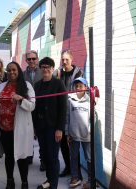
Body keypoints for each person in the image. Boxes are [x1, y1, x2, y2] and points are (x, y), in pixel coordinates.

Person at [0, 61, 35, 189]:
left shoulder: (26, 86)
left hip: (19, 129)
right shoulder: (1, 86)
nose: (11, 72)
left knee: (21, 156)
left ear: (19, 71)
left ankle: (24, 182)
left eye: (14, 70)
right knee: (9, 156)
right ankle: (10, 181)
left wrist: (21, 100)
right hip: (4, 128)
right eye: (9, 70)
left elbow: (32, 105)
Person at [33, 57, 67, 189]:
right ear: (40, 69)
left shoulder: (59, 84)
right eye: (43, 67)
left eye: (48, 67)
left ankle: (54, 185)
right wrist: (35, 127)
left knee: (53, 157)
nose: (45, 69)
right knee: (45, 156)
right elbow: (35, 108)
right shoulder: (37, 85)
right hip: (41, 127)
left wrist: (60, 129)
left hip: (53, 127)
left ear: (53, 69)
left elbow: (63, 108)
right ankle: (49, 180)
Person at [56, 49, 83, 178]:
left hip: (74, 113)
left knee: (73, 144)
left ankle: (76, 172)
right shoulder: (58, 73)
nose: (64, 61)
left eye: (67, 59)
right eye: (63, 59)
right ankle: (67, 167)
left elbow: (81, 91)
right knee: (63, 143)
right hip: (62, 112)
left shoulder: (79, 73)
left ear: (71, 59)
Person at [66, 77, 91, 188]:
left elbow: (92, 118)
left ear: (86, 87)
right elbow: (67, 118)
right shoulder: (70, 100)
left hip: (86, 135)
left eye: (81, 86)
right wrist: (67, 133)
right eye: (76, 86)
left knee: (89, 157)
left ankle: (91, 179)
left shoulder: (90, 101)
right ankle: (75, 177)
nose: (78, 88)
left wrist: (90, 131)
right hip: (73, 135)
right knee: (74, 156)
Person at [22, 50, 43, 169]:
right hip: (28, 108)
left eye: (33, 59)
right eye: (29, 59)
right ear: (26, 61)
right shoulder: (23, 74)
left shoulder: (43, 72)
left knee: (41, 135)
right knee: (29, 134)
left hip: (40, 108)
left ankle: (43, 160)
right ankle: (29, 156)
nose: (31, 61)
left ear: (37, 59)